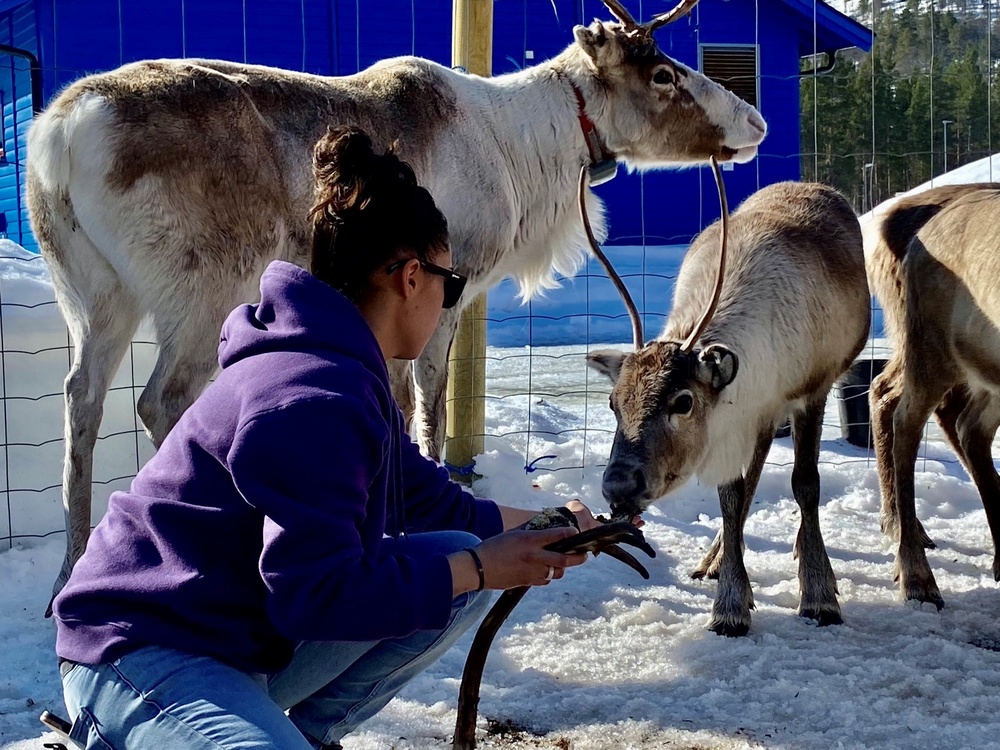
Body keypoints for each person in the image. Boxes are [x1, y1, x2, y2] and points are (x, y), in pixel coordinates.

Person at [52, 126, 604, 750]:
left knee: (452, 550)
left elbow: (433, 505)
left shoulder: (344, 373)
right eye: (450, 286)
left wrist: (548, 526)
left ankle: (289, 734)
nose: (450, 304)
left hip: (230, 638)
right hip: (140, 648)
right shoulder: (312, 397)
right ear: (411, 278)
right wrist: (481, 566)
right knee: (463, 565)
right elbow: (315, 597)